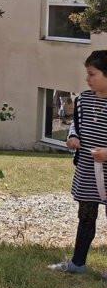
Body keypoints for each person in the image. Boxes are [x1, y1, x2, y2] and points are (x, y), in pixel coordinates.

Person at [50, 51, 107, 274]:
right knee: (85, 218)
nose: (87, 79)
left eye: (92, 74)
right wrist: (72, 137)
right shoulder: (83, 99)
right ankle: (77, 264)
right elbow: (76, 125)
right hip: (87, 172)